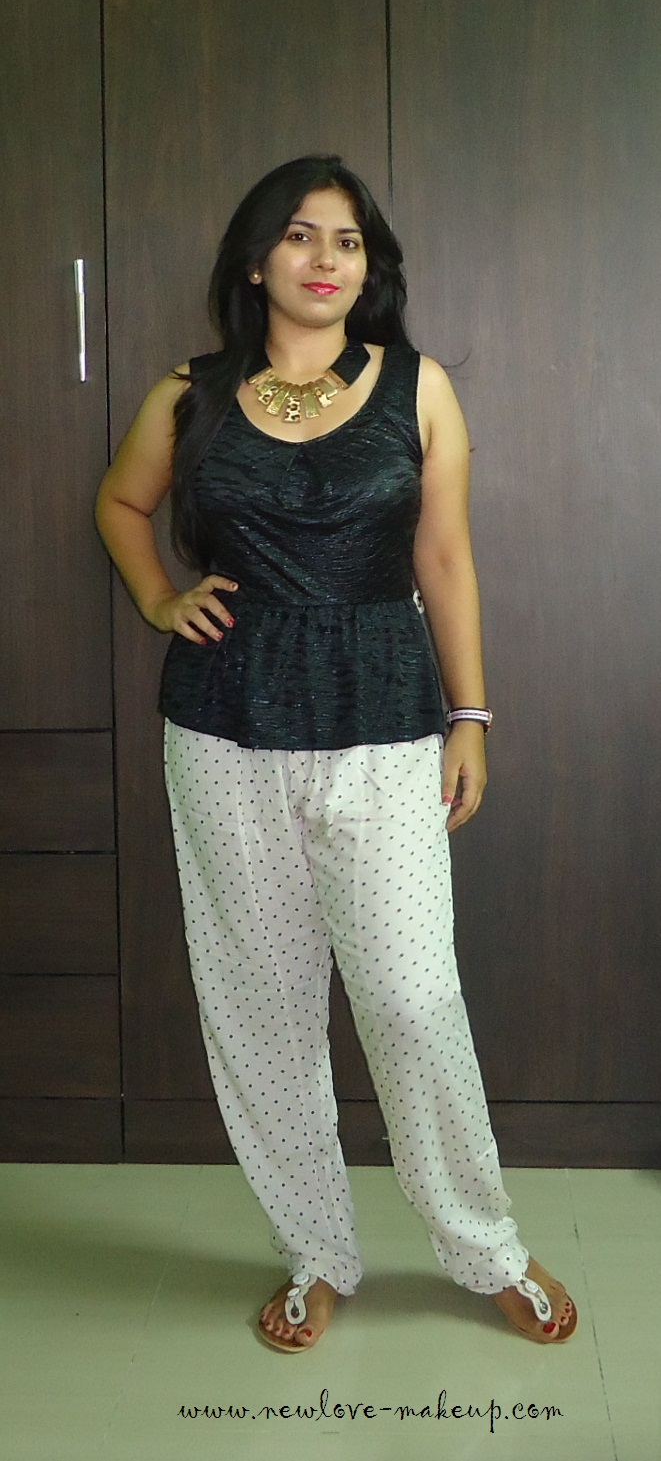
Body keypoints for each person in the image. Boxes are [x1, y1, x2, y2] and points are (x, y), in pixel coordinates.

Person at [95, 153, 577, 1353]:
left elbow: (444, 558)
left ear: (371, 268)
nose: (324, 259)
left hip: (382, 720)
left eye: (347, 241)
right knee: (260, 1008)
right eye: (300, 235)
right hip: (224, 728)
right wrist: (158, 597)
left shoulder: (418, 387)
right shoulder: (189, 393)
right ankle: (315, 1251)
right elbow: (120, 503)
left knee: (413, 995)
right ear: (256, 260)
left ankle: (484, 1245)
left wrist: (472, 717)